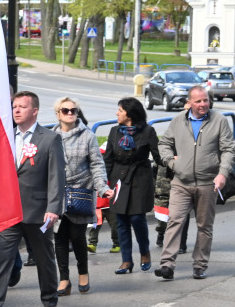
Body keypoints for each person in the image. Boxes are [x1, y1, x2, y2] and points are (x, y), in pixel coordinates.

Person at [0, 91, 66, 307]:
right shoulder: (4, 136)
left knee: (44, 259)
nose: (16, 110)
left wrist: (54, 208)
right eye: (14, 106)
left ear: (34, 111)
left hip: (38, 211)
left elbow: (57, 177)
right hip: (7, 211)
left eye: (22, 107)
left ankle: (49, 303)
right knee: (1, 259)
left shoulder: (49, 139)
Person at [157, 85, 235, 280]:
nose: (203, 104)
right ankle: (167, 264)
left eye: (206, 100)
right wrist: (172, 163)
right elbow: (163, 143)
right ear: (189, 102)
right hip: (181, 182)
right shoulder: (178, 121)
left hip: (208, 183)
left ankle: (199, 265)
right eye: (198, 101)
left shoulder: (219, 121)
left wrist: (222, 173)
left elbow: (228, 149)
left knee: (204, 226)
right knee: (174, 221)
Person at [51, 97, 110, 294]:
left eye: (73, 110)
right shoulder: (52, 136)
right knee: (59, 237)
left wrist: (102, 187)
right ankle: (64, 279)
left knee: (77, 236)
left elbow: (96, 164)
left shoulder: (87, 136)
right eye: (65, 110)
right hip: (58, 193)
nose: (70, 113)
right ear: (58, 113)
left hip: (80, 192)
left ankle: (83, 273)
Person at [103, 97, 162, 275]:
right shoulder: (114, 131)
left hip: (140, 179)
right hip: (119, 180)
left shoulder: (148, 132)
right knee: (121, 220)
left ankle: (144, 252)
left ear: (129, 113)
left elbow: (158, 157)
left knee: (137, 219)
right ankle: (126, 261)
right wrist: (104, 184)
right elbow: (108, 160)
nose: (117, 113)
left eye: (120, 110)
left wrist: (173, 162)